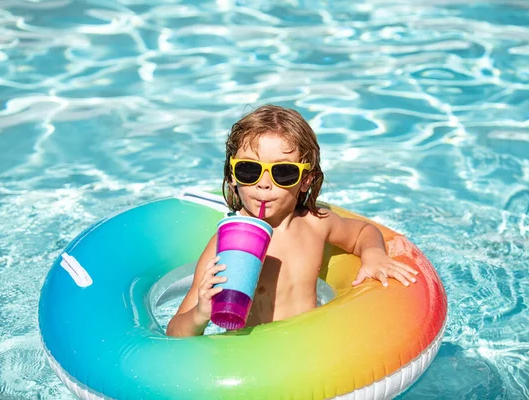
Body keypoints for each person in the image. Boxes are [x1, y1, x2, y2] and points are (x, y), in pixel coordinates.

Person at [166, 105, 418, 337]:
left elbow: (362, 231)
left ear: (305, 180)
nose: (264, 183)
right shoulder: (225, 246)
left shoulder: (315, 224)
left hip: (307, 347)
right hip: (251, 358)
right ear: (232, 175)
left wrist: (374, 254)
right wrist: (200, 314)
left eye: (283, 173)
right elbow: (175, 331)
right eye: (249, 170)